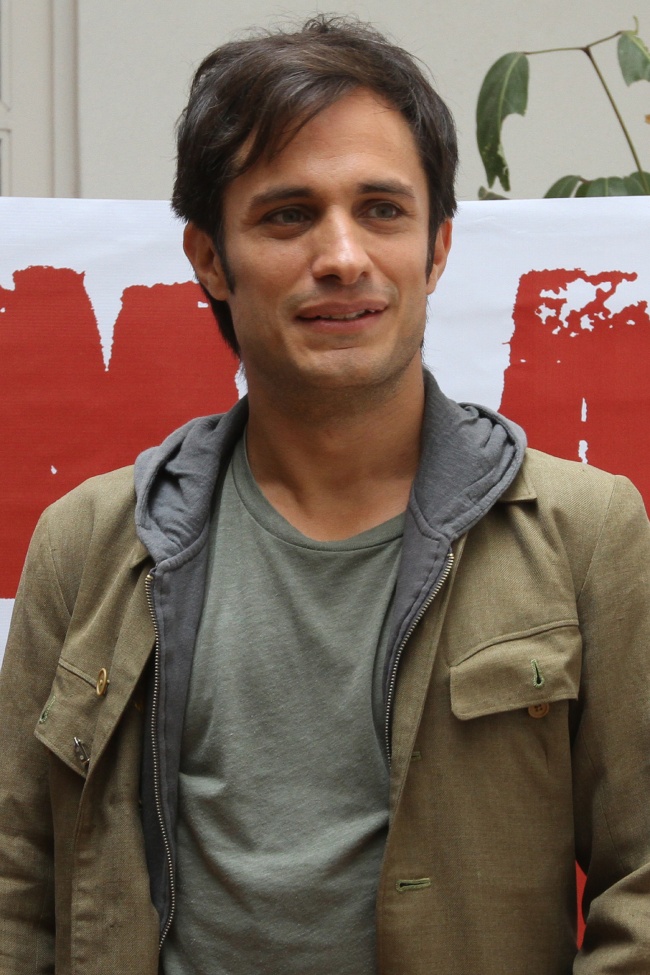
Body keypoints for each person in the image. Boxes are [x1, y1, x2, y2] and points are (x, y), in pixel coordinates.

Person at [0, 14, 649, 975]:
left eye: (382, 209)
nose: (342, 255)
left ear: (436, 248)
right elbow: (17, 885)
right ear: (209, 258)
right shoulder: (90, 543)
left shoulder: (585, 531)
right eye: (287, 215)